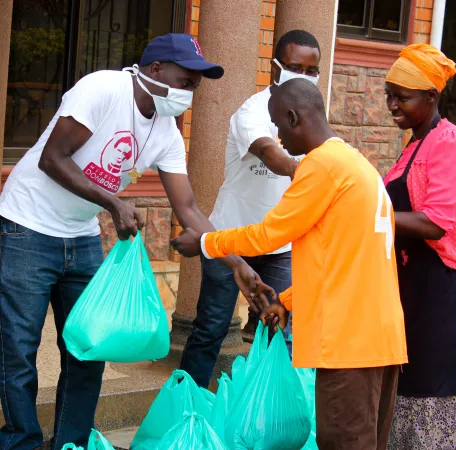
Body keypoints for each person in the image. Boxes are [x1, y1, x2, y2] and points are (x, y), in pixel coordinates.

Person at [0, 33, 272, 450]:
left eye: (196, 86)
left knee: (89, 348)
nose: (189, 93)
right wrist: (112, 202)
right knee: (19, 350)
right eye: (185, 81)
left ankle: (71, 445)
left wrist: (236, 264)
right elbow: (51, 158)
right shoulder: (103, 88)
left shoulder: (166, 134)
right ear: (156, 69)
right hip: (26, 225)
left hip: (80, 235)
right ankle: (19, 442)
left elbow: (191, 212)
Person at [172, 78, 408, 449]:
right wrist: (288, 301)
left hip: (349, 342)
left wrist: (205, 241)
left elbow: (269, 235)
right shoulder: (356, 163)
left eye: (279, 127)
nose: (280, 138)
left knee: (344, 442)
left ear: (294, 118)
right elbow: (344, 263)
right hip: (379, 336)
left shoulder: (322, 166)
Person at [179, 30, 322, 388]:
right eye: (294, 67)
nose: (303, 76)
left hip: (281, 248)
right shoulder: (253, 111)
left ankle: (269, 420)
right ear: (274, 68)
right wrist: (308, 170)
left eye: (311, 70)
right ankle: (183, 410)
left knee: (281, 335)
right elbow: (269, 153)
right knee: (212, 329)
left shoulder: (314, 117)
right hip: (232, 239)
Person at [383, 44, 456, 449]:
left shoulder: (449, 142)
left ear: (431, 96)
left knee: (434, 398)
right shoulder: (414, 145)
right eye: (389, 94)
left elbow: (435, 223)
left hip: (442, 292)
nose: (392, 104)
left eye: (402, 96)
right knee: (409, 393)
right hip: (414, 288)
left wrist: (368, 217)